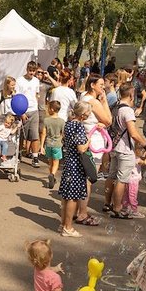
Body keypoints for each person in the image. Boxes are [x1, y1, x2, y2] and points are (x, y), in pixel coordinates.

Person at [104, 82, 146, 219]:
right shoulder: (128, 111)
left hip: (113, 147)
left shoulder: (114, 107)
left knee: (111, 176)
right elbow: (133, 133)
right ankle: (118, 209)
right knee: (121, 180)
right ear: (131, 94)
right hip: (124, 149)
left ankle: (108, 203)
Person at [74, 74, 112, 226]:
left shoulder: (83, 96)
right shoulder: (94, 102)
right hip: (94, 144)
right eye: (101, 84)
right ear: (92, 85)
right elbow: (109, 120)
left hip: (85, 141)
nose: (103, 87)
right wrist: (104, 101)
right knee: (89, 179)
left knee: (83, 178)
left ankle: (79, 210)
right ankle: (82, 214)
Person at [58, 101, 92, 237]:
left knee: (66, 196)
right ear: (83, 114)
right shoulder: (78, 126)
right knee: (72, 197)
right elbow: (81, 148)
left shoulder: (69, 123)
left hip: (69, 162)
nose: (90, 114)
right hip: (76, 165)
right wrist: (88, 140)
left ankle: (63, 224)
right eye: (89, 112)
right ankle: (68, 227)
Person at [15, 62, 42, 167]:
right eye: (30, 70)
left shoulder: (36, 81)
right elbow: (17, 97)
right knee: (21, 135)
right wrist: (21, 112)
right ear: (27, 70)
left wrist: (36, 106)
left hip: (34, 110)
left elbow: (36, 94)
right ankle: (18, 154)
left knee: (34, 135)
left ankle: (35, 157)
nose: (32, 72)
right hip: (23, 111)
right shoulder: (20, 81)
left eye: (33, 71)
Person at [40, 100, 65, 189]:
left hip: (48, 144)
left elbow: (43, 133)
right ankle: (52, 174)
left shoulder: (46, 120)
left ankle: (52, 177)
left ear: (52, 109)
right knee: (56, 162)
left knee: (50, 162)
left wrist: (41, 146)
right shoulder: (62, 121)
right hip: (57, 145)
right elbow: (63, 134)